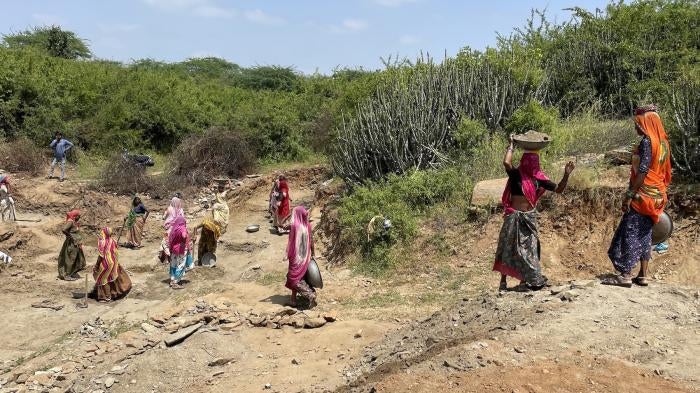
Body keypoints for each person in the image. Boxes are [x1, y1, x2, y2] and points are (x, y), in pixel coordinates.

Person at [493, 135, 575, 291]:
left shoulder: (540, 179)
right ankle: (503, 282)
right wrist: (511, 145)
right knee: (507, 247)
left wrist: (566, 174)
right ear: (524, 161)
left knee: (528, 249)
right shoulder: (517, 174)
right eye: (528, 160)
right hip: (513, 216)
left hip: (528, 218)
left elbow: (559, 189)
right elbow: (506, 162)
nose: (531, 164)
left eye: (533, 161)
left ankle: (524, 281)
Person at [605, 105, 671, 287]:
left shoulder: (647, 142)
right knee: (645, 233)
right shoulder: (663, 143)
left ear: (647, 123)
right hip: (657, 195)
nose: (636, 127)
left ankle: (625, 274)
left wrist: (629, 195)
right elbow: (665, 172)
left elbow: (642, 171)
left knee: (631, 232)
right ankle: (643, 275)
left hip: (643, 195)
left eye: (639, 123)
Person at [192, 182, 230, 265]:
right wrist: (195, 236)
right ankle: (200, 262)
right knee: (201, 248)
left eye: (208, 230)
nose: (207, 230)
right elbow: (195, 227)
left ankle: (209, 262)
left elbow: (218, 235)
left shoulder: (215, 229)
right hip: (203, 239)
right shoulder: (205, 223)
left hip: (212, 240)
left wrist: (214, 239)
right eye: (206, 229)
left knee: (211, 249)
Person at [285, 206, 316, 308]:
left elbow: (281, 225)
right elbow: (311, 240)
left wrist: (288, 215)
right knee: (299, 276)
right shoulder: (307, 225)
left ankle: (310, 294)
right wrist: (313, 254)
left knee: (293, 278)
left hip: (296, 257)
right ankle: (293, 300)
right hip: (304, 257)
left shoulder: (294, 225)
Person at [90, 227, 132, 302]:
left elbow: (101, 255)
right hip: (113, 261)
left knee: (102, 279)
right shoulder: (113, 241)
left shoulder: (102, 242)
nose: (101, 233)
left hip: (105, 263)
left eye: (102, 232)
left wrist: (97, 265)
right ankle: (114, 293)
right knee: (111, 277)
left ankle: (106, 297)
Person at [58, 209, 86, 281]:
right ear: (75, 216)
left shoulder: (74, 222)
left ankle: (72, 272)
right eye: (78, 216)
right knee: (71, 259)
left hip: (76, 243)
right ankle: (67, 275)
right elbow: (64, 229)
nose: (79, 217)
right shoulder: (70, 222)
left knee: (77, 258)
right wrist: (69, 236)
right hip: (72, 244)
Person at [168, 216, 192, 289]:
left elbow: (170, 239)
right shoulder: (182, 228)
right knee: (181, 265)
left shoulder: (174, 229)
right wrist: (184, 237)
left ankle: (172, 280)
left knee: (173, 264)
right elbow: (184, 235)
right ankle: (176, 282)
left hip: (174, 249)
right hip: (181, 249)